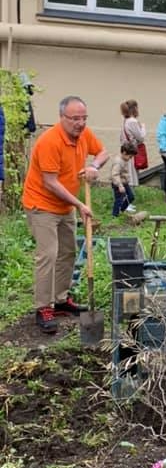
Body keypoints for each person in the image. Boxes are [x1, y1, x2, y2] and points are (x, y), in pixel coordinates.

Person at [21, 95, 109, 333]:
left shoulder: (84, 135)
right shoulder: (49, 141)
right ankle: (43, 308)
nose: (80, 123)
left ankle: (60, 300)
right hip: (42, 205)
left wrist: (94, 166)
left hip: (65, 206)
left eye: (83, 118)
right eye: (74, 119)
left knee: (68, 252)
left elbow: (103, 153)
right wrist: (80, 205)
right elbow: (50, 182)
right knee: (48, 255)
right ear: (62, 118)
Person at [119, 99, 147, 188]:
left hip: (126, 150)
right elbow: (141, 138)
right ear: (134, 108)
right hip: (132, 152)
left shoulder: (125, 121)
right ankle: (130, 196)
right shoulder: (132, 121)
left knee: (127, 174)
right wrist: (143, 127)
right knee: (132, 176)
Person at [110, 143, 138, 217]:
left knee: (131, 196)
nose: (130, 158)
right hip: (118, 184)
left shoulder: (124, 159)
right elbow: (115, 175)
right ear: (124, 152)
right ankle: (114, 215)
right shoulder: (118, 162)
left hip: (124, 183)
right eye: (130, 156)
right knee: (119, 199)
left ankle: (122, 210)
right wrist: (120, 185)